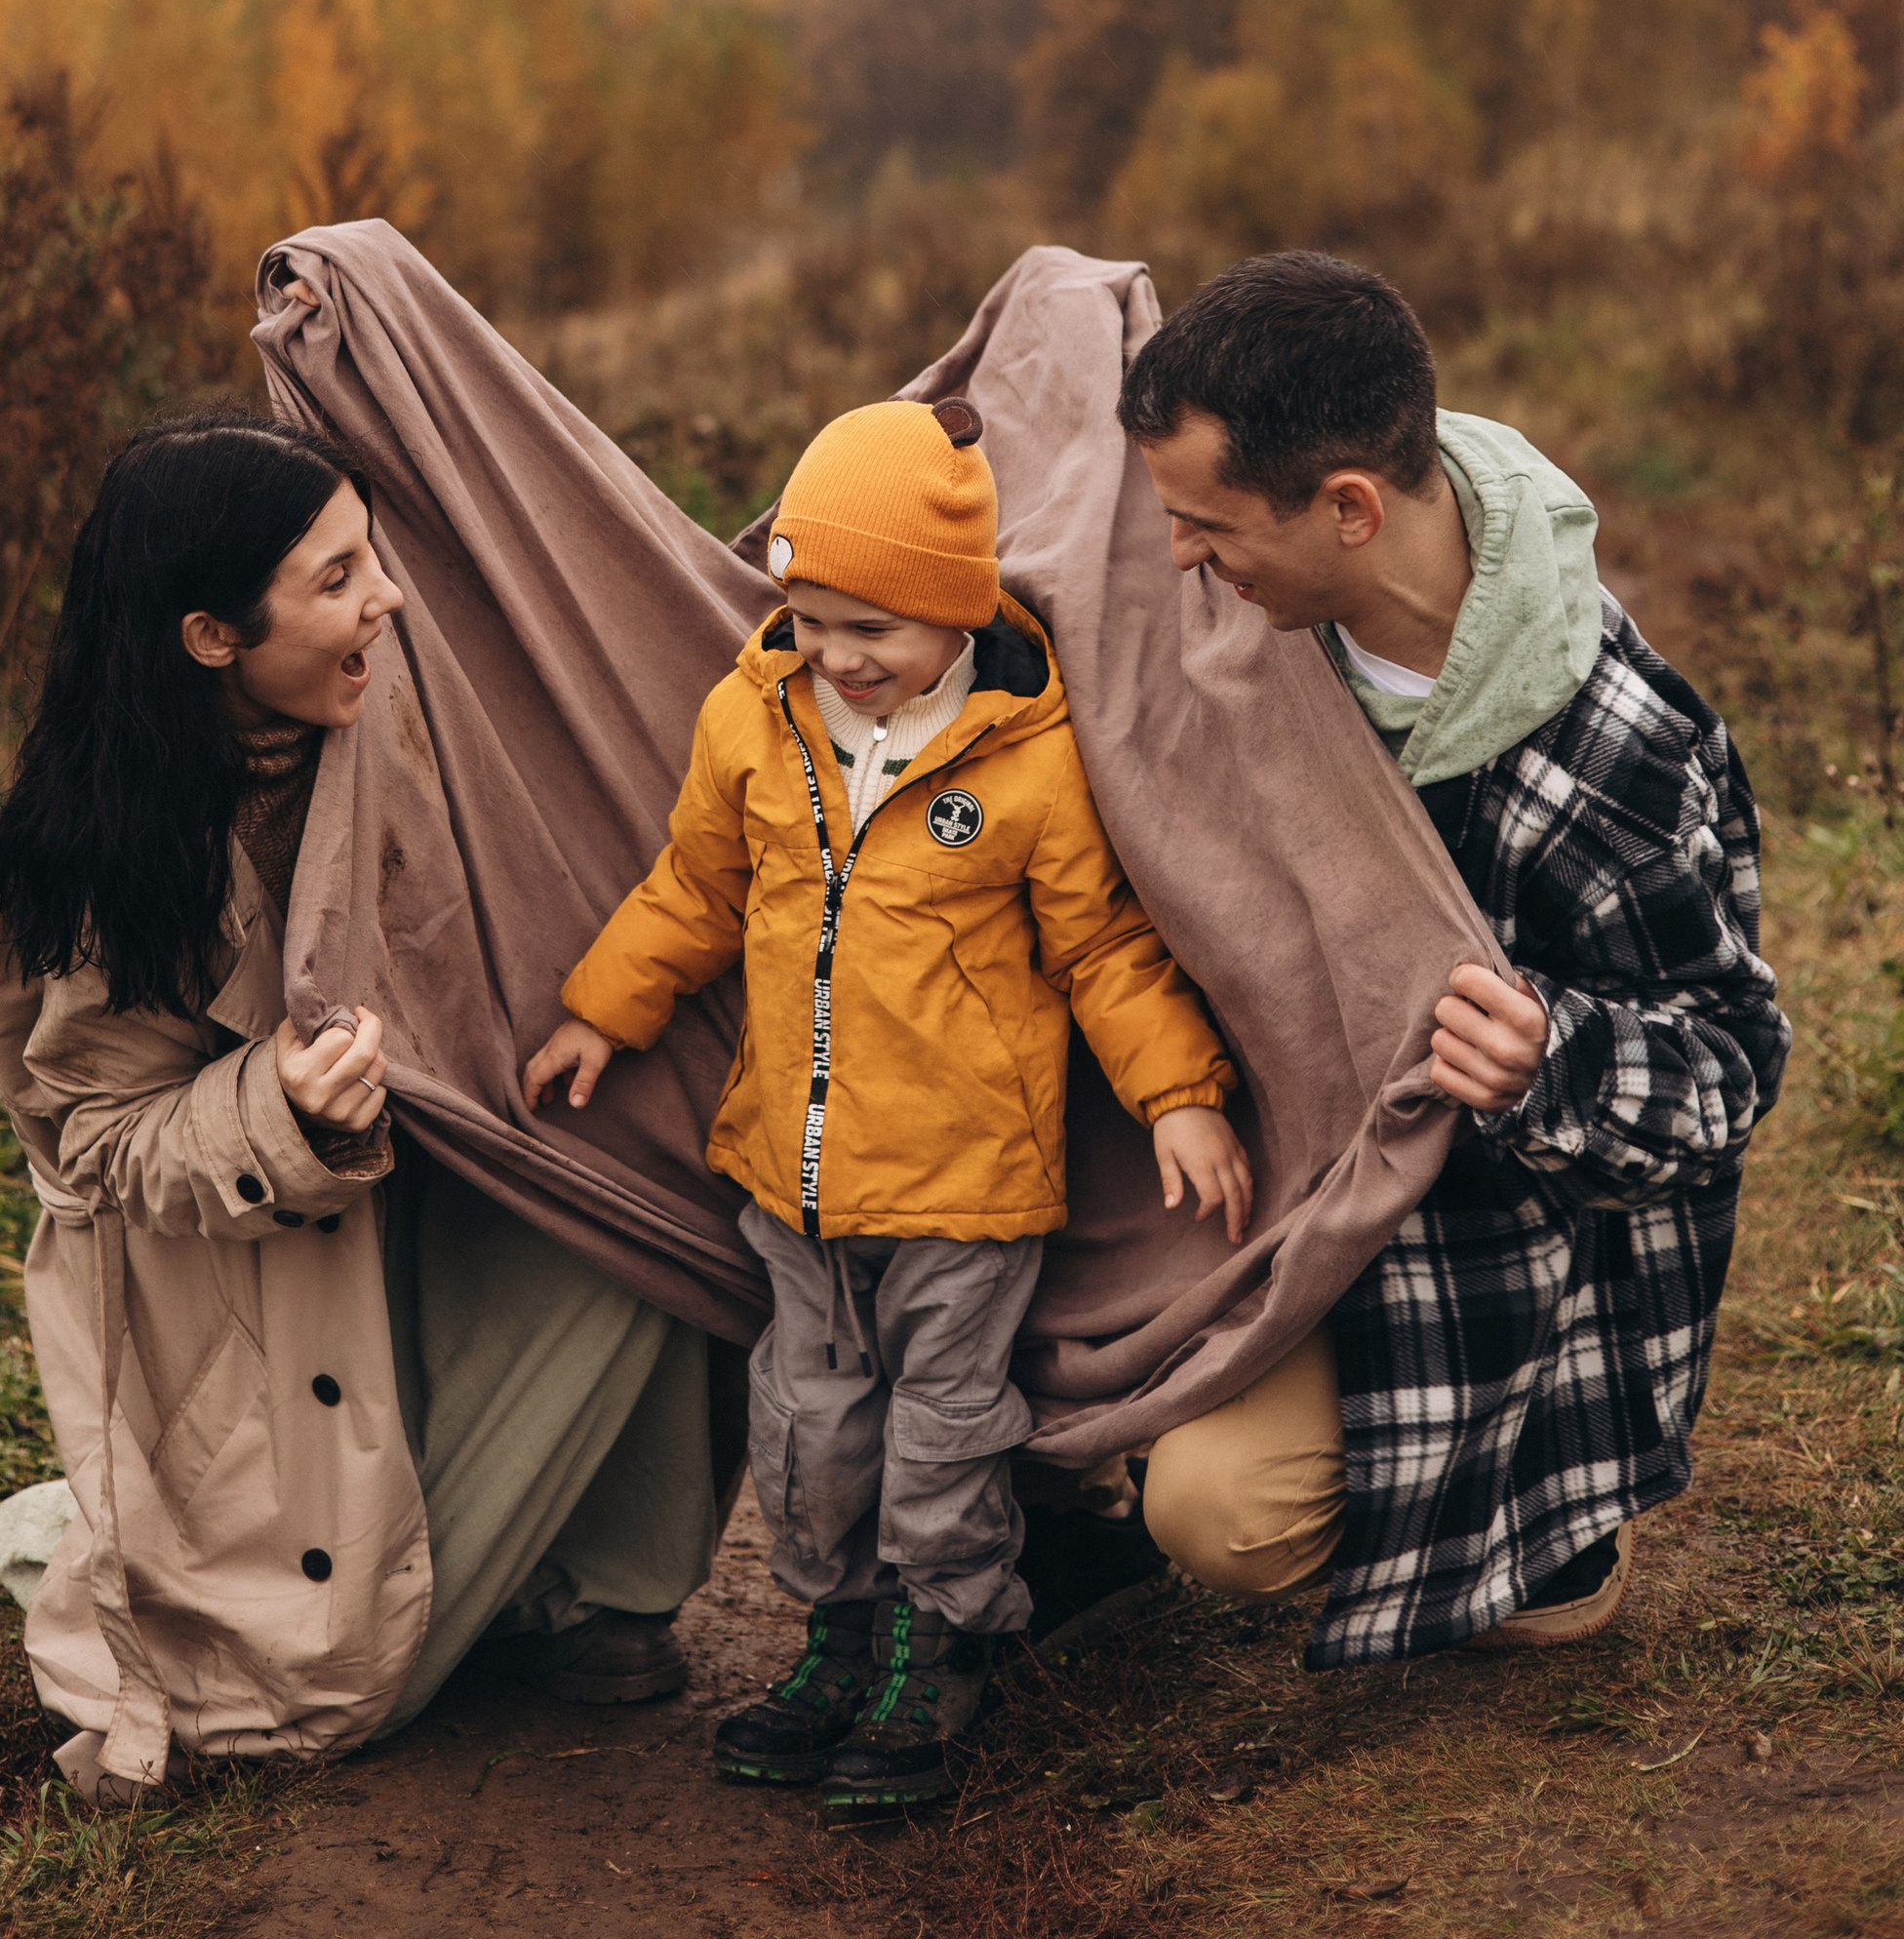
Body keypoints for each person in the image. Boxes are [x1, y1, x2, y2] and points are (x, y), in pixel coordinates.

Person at [523, 392, 1254, 1821]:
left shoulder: (1026, 758)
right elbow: (693, 891)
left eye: (875, 630)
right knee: (806, 1426)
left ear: (954, 616)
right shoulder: (752, 720)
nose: (838, 658)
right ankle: (833, 1639)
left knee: (944, 1433)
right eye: (810, 619)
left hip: (969, 1190)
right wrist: (600, 1013)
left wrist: (1176, 1095)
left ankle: (946, 1642)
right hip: (789, 1179)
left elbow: (1102, 948)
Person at [0, 408, 719, 1803]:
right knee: (320, 1686)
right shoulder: (104, 852)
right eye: (335, 581)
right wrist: (276, 1105)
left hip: (442, 1204)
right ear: (214, 640)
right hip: (265, 1298)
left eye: (373, 556)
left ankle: (591, 1589)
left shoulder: (393, 705)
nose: (387, 598)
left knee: (649, 1202)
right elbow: (94, 1136)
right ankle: (447, 1582)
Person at [1119, 249, 1790, 1658]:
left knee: (1216, 1514)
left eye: (1207, 525)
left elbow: (1733, 1060)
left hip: (1469, 1254)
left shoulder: (1617, 754)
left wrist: (1557, 1054)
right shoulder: (1270, 615)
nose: (1179, 556)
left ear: (1349, 509)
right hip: (1266, 1158)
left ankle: (1530, 1508)